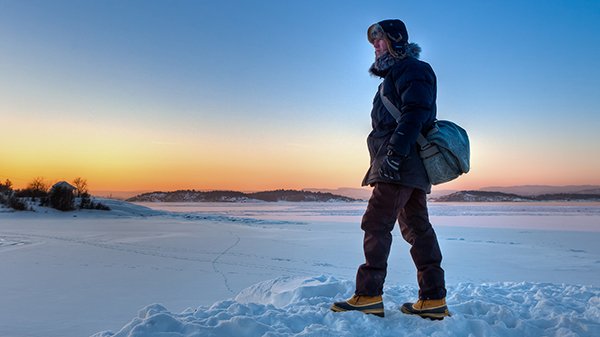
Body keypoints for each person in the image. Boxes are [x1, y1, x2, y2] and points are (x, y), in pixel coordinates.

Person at [330, 19, 449, 319]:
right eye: (373, 43)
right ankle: (433, 299)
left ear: (397, 42)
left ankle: (368, 294)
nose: (376, 46)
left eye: (381, 40)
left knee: (376, 223)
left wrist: (395, 151)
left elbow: (416, 112)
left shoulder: (413, 70)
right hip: (404, 164)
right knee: (418, 229)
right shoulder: (394, 76)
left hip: (399, 163)